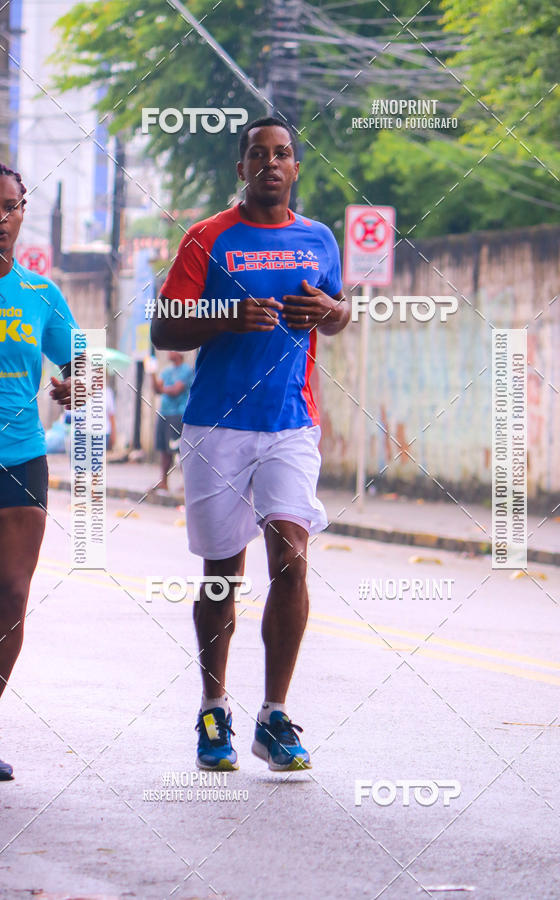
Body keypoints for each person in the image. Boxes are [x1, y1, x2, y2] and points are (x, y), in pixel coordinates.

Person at [151, 117, 349, 771]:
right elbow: (164, 330)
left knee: (291, 556)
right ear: (241, 169)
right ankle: (214, 709)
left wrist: (332, 312)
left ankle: (275, 716)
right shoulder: (207, 238)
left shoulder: (318, 238)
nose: (271, 163)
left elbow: (341, 310)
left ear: (296, 168)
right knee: (222, 574)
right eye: (258, 154)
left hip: (291, 422)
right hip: (216, 427)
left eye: (283, 154)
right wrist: (224, 316)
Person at [0, 163, 78, 780]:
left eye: (10, 206)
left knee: (12, 594)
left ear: (23, 214)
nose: (1, 219)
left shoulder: (40, 294)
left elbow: (86, 363)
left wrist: (78, 386)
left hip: (22, 458)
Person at [150, 351, 194, 492]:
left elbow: (176, 390)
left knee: (180, 449)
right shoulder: (166, 370)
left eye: (172, 350)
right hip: (164, 413)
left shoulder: (186, 370)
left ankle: (186, 484)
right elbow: (157, 389)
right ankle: (164, 481)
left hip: (178, 414)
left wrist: (162, 388)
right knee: (164, 450)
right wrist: (151, 373)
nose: (169, 352)